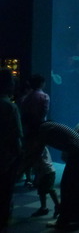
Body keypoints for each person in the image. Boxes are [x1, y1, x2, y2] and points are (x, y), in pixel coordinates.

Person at [22, 121, 79, 229]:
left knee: (71, 186)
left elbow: (35, 153)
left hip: (78, 152)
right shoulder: (46, 126)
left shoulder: (42, 131)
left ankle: (68, 219)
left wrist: (20, 170)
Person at [0, 68, 23, 230]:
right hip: (6, 157)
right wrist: (21, 157)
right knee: (5, 190)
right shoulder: (10, 107)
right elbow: (16, 136)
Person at [30, 146, 60, 219]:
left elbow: (39, 161)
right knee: (41, 190)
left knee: (50, 189)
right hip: (45, 171)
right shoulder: (40, 145)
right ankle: (44, 208)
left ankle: (58, 206)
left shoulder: (39, 146)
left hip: (47, 171)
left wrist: (37, 177)